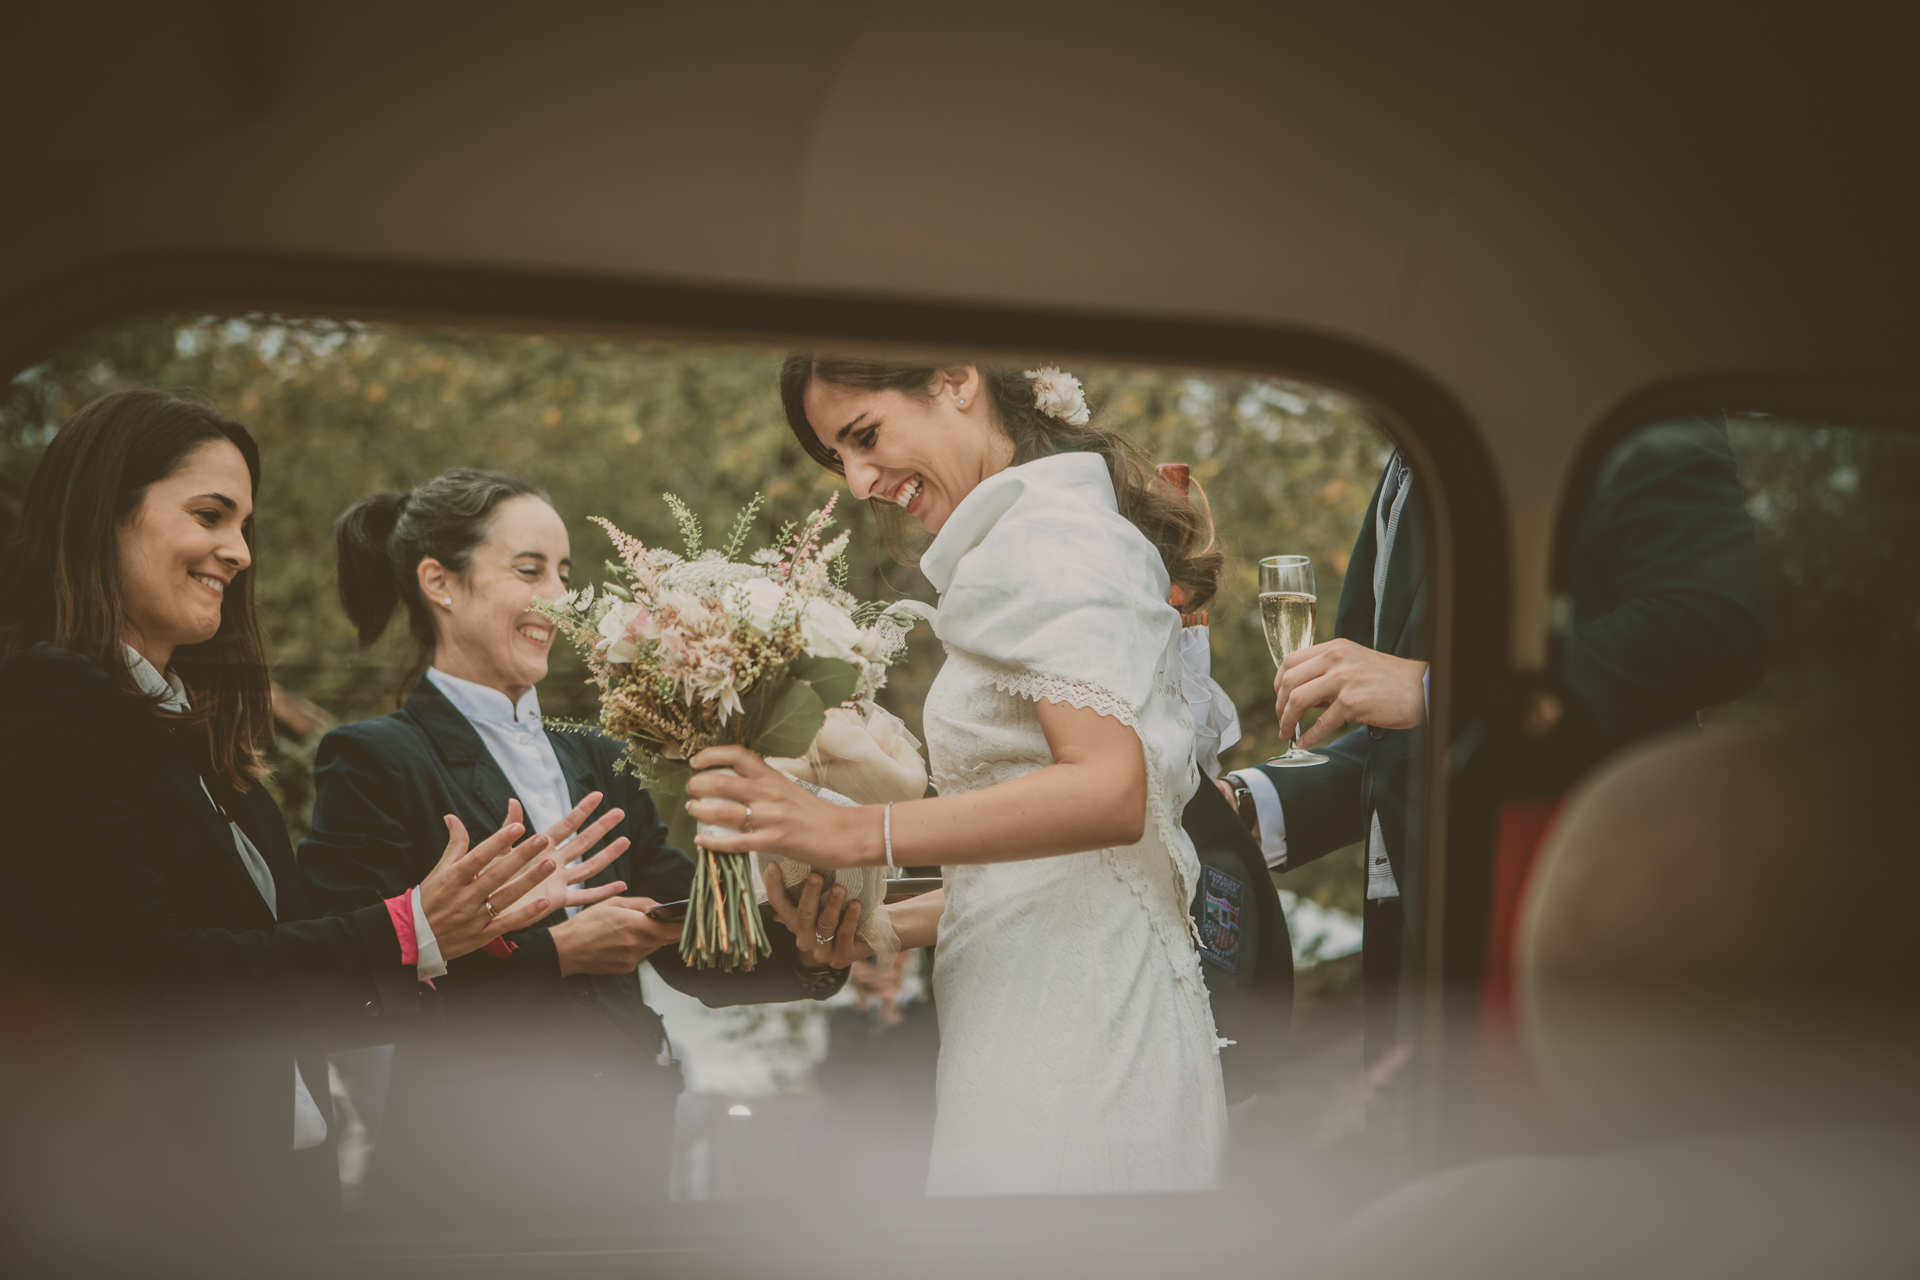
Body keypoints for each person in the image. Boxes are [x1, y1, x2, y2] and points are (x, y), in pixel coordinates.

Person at [0, 392, 556, 1228]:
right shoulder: (53, 702)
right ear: (103, 515)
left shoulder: (204, 744)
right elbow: (152, 985)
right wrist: (409, 928)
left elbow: (271, 975)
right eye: (211, 515)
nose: (238, 552)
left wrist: (458, 932)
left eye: (244, 527)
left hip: (277, 1193)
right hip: (153, 1207)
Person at [686, 357, 1229, 1196]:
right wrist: (876, 927)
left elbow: (1108, 793)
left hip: (1078, 1036)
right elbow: (1067, 867)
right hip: (1048, 1007)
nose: (861, 479)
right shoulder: (1044, 527)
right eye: (839, 459)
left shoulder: (1045, 537)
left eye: (864, 436)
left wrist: (852, 830)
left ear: (955, 378)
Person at [299, 469, 848, 1226]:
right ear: (440, 582)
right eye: (530, 571)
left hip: (626, 1148)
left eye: (565, 574)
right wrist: (553, 953)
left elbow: (684, 939)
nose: (558, 599)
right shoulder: (373, 759)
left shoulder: (598, 756)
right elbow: (345, 983)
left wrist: (810, 959)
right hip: (471, 1175)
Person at [1223, 414, 1765, 1062]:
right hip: (1415, 928)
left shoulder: (1622, 410)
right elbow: (1401, 722)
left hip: (1557, 917)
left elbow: (1714, 624)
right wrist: (1253, 805)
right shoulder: (1420, 441)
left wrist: (1440, 686)